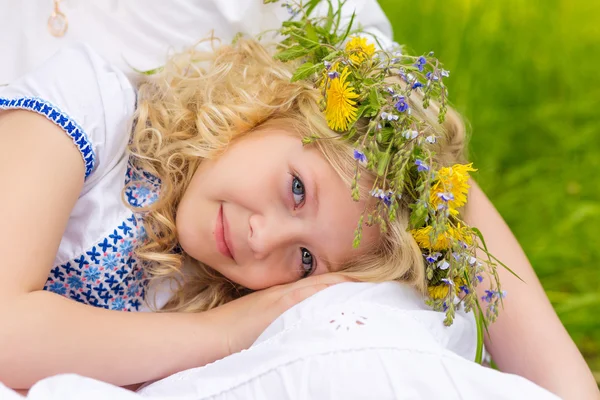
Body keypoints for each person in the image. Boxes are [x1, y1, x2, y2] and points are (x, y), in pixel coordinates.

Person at [0, 1, 597, 399]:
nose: (265, 239)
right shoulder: (90, 106)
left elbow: (448, 203)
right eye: (295, 190)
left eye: (305, 259)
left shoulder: (214, 279)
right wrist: (231, 331)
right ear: (273, 107)